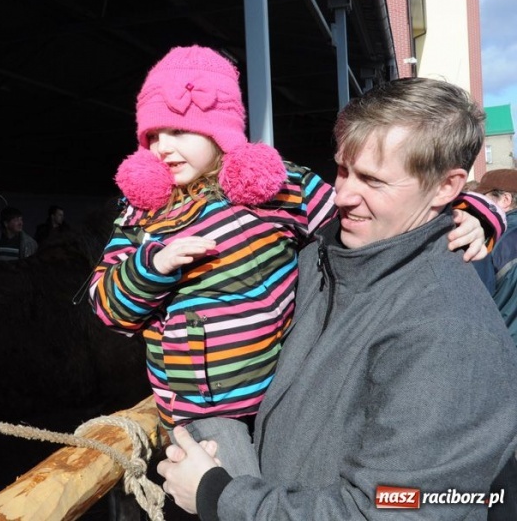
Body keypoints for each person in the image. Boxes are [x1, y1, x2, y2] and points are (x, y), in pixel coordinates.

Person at [87, 46, 500, 479]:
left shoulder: (274, 186)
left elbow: (363, 217)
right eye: (152, 136)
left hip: (284, 386)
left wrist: (474, 212)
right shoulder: (140, 216)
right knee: (232, 489)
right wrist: (152, 267)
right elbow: (108, 309)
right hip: (205, 408)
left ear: (220, 131)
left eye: (179, 131)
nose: (163, 148)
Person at [157, 77, 517, 520]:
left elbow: (395, 508)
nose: (343, 195)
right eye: (343, 169)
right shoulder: (324, 254)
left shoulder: (450, 332)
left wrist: (219, 496)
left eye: (372, 179)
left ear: (446, 187)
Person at [477, 168, 517, 344]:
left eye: (484, 198)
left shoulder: (493, 241)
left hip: (503, 348)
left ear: (506, 200)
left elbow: (473, 300)